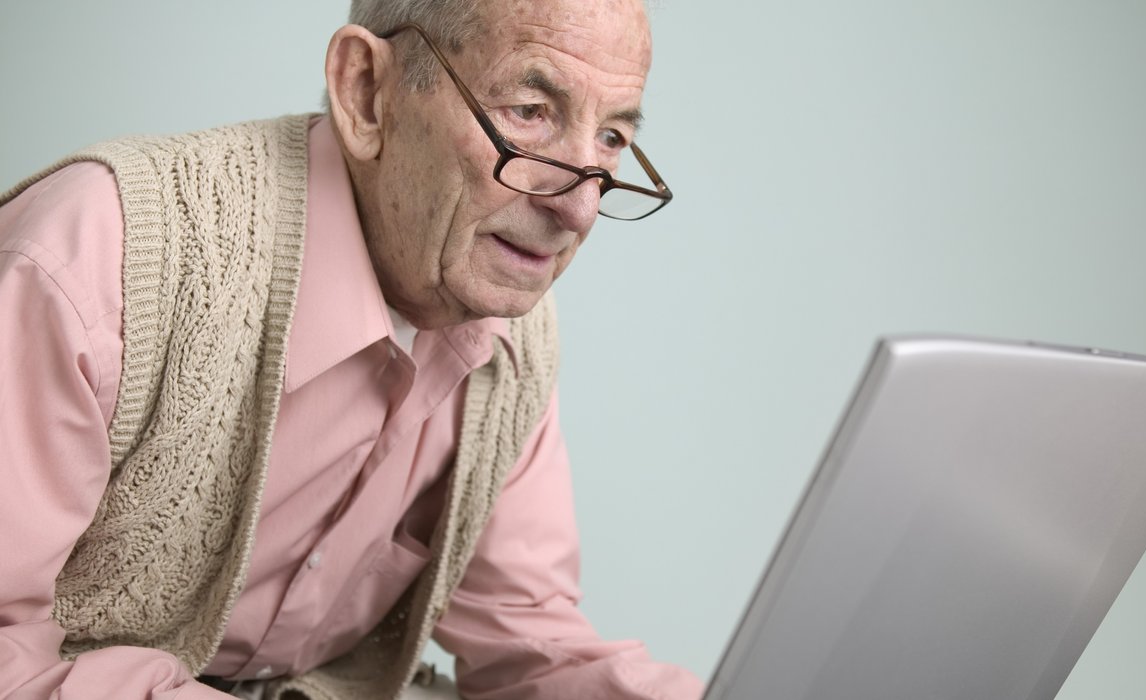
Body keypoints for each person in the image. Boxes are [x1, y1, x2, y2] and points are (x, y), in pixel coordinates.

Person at [0, 0, 698, 698]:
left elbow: (531, 640)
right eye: (529, 112)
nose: (578, 209)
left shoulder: (510, 337)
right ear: (365, 91)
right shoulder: (95, 258)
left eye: (610, 138)